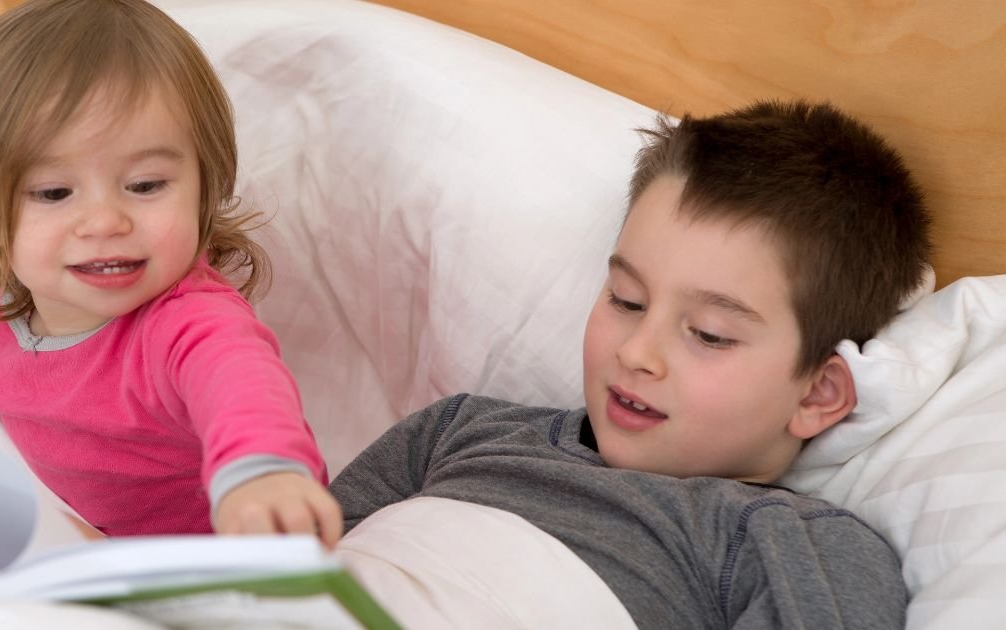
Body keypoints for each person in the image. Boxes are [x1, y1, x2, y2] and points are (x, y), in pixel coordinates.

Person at [330, 100, 929, 627]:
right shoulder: (459, 430)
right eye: (627, 300)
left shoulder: (790, 544)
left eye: (711, 335)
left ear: (816, 395)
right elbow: (289, 560)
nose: (636, 352)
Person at [0, 0, 341, 545]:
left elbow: (242, 386)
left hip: (211, 565)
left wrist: (262, 473)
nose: (105, 221)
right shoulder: (0, 297)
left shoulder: (189, 321)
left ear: (208, 182)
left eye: (146, 185)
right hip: (78, 542)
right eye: (54, 192)